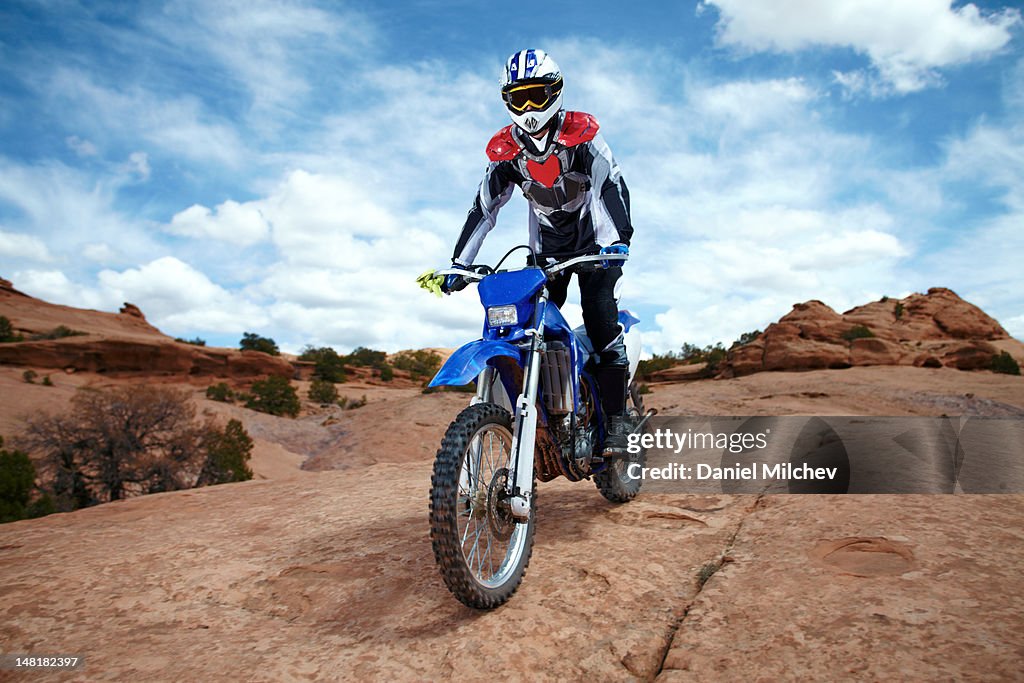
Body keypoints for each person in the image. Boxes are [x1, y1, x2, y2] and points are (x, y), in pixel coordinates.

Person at [442, 48, 634, 455]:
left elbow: (610, 184)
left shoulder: (583, 137)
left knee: (600, 319)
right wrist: (459, 263)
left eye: (537, 95)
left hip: (597, 246)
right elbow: (484, 207)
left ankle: (616, 424)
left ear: (556, 91)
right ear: (507, 102)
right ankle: (546, 413)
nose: (529, 108)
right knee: (529, 325)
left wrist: (620, 239)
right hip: (547, 252)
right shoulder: (507, 152)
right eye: (518, 98)